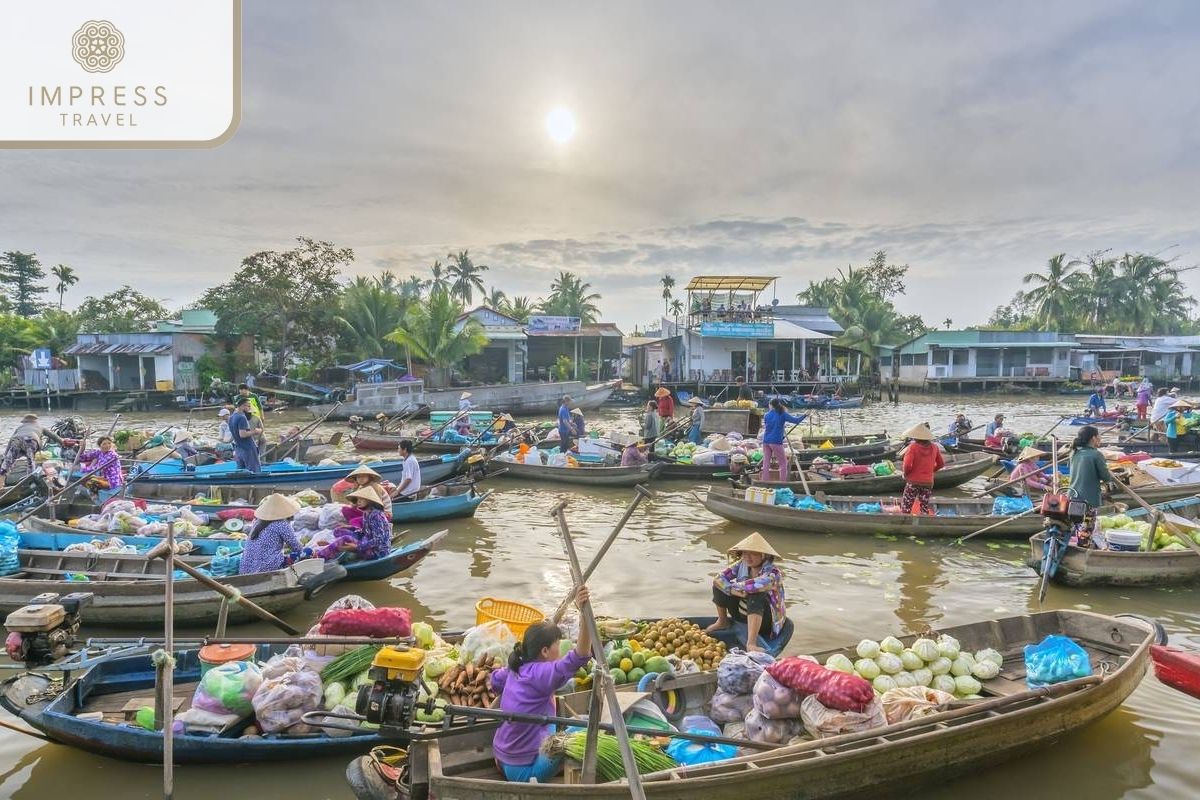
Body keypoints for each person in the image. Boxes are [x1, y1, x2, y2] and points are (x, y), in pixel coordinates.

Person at [490, 585, 592, 783]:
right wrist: (585, 618)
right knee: (583, 725)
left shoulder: (515, 665)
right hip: (524, 772)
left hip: (501, 758)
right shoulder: (540, 674)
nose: (560, 649)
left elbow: (494, 680)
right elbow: (579, 657)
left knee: (552, 710)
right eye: (557, 644)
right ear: (545, 651)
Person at [707, 532, 786, 653]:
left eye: (753, 553)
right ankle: (722, 621)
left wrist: (733, 587)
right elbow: (718, 579)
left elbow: (757, 585)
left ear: (763, 555)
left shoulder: (773, 573)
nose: (748, 557)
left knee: (756, 593)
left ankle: (751, 643)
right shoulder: (741, 565)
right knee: (718, 586)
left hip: (766, 620)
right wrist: (731, 589)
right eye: (745, 553)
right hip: (744, 612)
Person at [1068, 425, 1115, 548]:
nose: (1100, 438)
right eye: (1099, 435)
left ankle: (1073, 546)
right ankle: (1083, 549)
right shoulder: (1096, 454)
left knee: (1075, 526)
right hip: (1088, 499)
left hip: (1072, 496)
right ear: (1093, 438)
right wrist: (1110, 479)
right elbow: (1105, 475)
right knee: (1086, 528)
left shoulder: (1074, 452)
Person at [239, 494, 304, 574]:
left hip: (245, 570)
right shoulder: (282, 524)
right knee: (307, 552)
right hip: (265, 569)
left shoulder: (258, 522)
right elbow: (297, 548)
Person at [328, 487, 394, 562]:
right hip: (367, 543)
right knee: (338, 531)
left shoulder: (376, 516)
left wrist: (357, 547)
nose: (358, 502)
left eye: (361, 500)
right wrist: (350, 527)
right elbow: (365, 532)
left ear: (370, 501)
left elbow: (379, 539)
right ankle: (333, 547)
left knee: (345, 538)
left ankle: (324, 553)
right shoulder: (366, 514)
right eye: (358, 500)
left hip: (378, 551)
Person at [0, 414, 65, 485]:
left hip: (16, 441)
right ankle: (30, 481)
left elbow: (10, 441)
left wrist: (6, 454)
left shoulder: (20, 428)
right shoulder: (40, 427)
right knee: (30, 463)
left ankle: (1, 480)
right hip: (31, 441)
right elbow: (53, 435)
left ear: (25, 422)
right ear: (35, 421)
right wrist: (62, 442)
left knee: (7, 462)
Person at [900, 423, 944, 514]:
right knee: (924, 507)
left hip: (913, 482)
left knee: (906, 506)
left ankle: (904, 523)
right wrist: (931, 471)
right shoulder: (935, 447)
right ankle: (923, 521)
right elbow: (941, 464)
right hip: (927, 482)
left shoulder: (913, 447)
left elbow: (907, 465)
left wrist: (905, 474)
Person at [760, 398, 804, 482]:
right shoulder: (782, 414)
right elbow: (796, 420)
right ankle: (783, 482)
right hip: (776, 442)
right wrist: (805, 415)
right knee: (783, 463)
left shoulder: (766, 415)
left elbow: (769, 426)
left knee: (766, 463)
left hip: (766, 441)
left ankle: (764, 481)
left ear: (771, 405)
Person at [228, 397, 263, 472]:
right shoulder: (242, 417)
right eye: (248, 406)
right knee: (254, 471)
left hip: (238, 448)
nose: (249, 408)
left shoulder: (231, 417)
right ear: (242, 406)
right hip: (248, 448)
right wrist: (255, 431)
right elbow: (242, 434)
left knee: (241, 471)